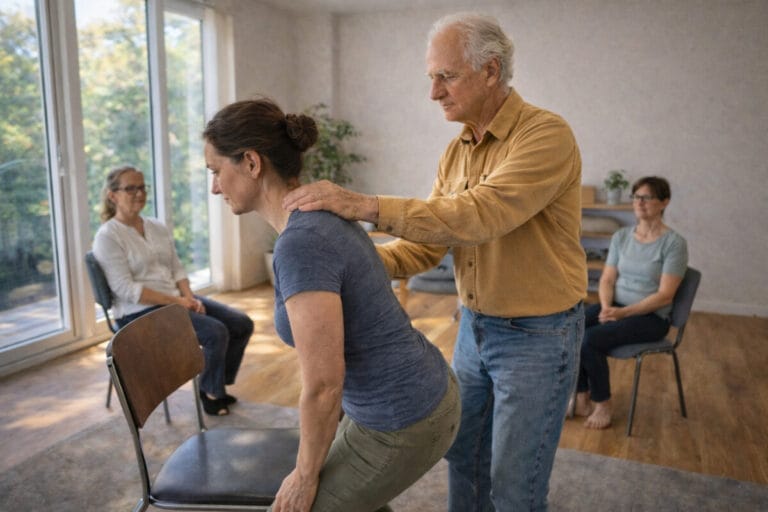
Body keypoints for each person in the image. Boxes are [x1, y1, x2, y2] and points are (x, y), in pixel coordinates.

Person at [282, 12, 586, 512]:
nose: (434, 92)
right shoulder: (456, 152)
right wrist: (347, 272)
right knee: (463, 456)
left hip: (539, 335)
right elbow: (428, 243)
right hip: (475, 328)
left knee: (516, 485)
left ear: (490, 71)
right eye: (432, 78)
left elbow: (479, 215)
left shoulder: (546, 135)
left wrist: (364, 205)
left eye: (446, 76)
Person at [202, 98, 461, 512]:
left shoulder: (302, 241)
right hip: (412, 393)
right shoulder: (321, 211)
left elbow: (323, 386)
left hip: (405, 417)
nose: (214, 186)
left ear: (251, 163)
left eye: (216, 171)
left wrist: (304, 477)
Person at [92, 165, 253, 416]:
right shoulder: (108, 236)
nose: (139, 193)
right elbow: (126, 289)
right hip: (137, 313)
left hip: (172, 300)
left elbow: (177, 268)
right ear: (112, 195)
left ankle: (214, 382)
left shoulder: (156, 226)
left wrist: (187, 297)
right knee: (215, 333)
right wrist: (178, 302)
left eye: (142, 187)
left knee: (241, 323)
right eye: (130, 188)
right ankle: (210, 392)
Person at [573, 176, 688, 429]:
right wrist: (605, 307)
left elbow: (665, 296)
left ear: (664, 202)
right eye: (636, 197)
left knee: (591, 339)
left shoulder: (674, 243)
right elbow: (607, 279)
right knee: (573, 325)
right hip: (614, 306)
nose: (640, 202)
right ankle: (581, 395)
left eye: (647, 197)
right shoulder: (622, 236)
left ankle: (603, 402)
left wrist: (623, 313)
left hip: (651, 318)